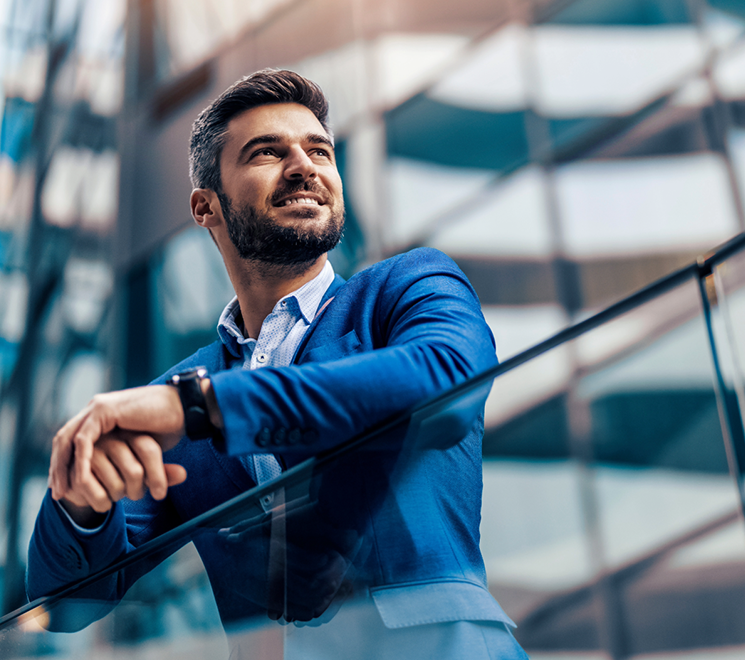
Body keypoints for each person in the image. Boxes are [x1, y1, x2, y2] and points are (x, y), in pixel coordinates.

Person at [27, 69, 527, 659]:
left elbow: (446, 382)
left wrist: (202, 408)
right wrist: (82, 497)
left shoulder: (410, 285)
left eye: (319, 150)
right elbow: (63, 605)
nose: (304, 166)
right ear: (205, 206)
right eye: (268, 152)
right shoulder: (180, 393)